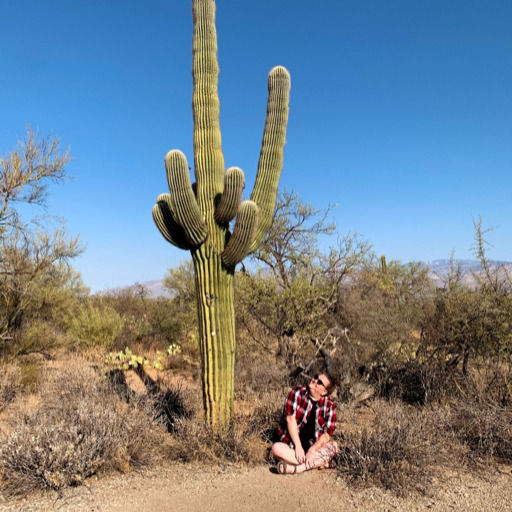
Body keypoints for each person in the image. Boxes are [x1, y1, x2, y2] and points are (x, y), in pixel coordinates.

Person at [272, 372, 339, 475]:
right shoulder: (297, 392)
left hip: (314, 448)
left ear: (324, 391)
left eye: (319, 382)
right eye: (316, 377)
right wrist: (298, 447)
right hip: (293, 446)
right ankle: (319, 463)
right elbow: (290, 419)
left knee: (334, 446)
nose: (314, 380)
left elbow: (327, 434)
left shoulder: (329, 405)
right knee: (276, 449)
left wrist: (312, 451)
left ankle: (298, 469)